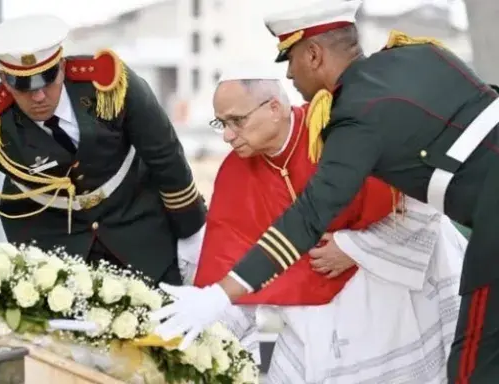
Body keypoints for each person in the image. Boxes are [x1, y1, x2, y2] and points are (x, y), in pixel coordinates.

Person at [151, 0, 499, 382]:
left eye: (290, 59)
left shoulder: (351, 119)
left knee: (472, 367)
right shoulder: (421, 52)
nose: (289, 74)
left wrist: (216, 297)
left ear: (313, 55)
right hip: (313, 315)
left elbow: (309, 216)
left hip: (438, 254)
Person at [193, 63, 464, 383]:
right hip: (313, 314)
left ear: (275, 108)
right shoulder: (238, 176)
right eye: (220, 123)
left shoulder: (340, 128)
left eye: (236, 121)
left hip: (392, 288)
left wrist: (352, 248)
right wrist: (197, 336)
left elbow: (421, 199)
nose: (227, 135)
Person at [0, 15, 206, 285]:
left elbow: (164, 153)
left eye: (47, 80)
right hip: (54, 256)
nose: (38, 96)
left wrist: (191, 230)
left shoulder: (107, 83)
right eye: (23, 85)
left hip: (140, 233)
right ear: (4, 81)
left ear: (61, 66)